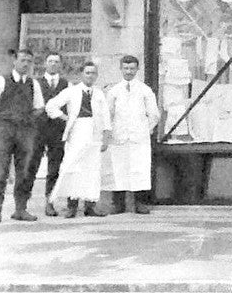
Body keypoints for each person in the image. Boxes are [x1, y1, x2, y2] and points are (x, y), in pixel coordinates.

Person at [0, 48, 45, 224]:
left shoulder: (34, 84)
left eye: (29, 61)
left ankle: (21, 209)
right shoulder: (0, 81)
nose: (26, 64)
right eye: (23, 60)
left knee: (24, 170)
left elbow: (39, 107)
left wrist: (25, 120)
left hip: (25, 132)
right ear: (14, 61)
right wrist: (6, 120)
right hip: (4, 132)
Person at [45, 61, 110, 218]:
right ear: (82, 74)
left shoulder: (99, 94)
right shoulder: (72, 91)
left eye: (93, 73)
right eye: (87, 73)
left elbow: (106, 116)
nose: (90, 76)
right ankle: (72, 206)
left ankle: (90, 206)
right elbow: (51, 106)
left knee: (92, 168)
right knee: (73, 166)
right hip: (77, 131)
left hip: (94, 131)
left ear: (96, 76)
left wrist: (106, 136)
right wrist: (65, 117)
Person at [103, 55, 160, 215]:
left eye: (132, 68)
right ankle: (118, 204)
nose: (129, 72)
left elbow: (154, 115)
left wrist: (144, 130)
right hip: (119, 137)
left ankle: (140, 203)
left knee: (139, 169)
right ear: (121, 69)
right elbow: (108, 114)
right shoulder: (114, 91)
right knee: (118, 169)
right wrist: (110, 131)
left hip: (138, 138)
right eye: (126, 68)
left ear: (137, 69)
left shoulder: (144, 90)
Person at [29, 52, 69, 217]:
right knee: (32, 164)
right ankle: (23, 201)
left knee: (55, 168)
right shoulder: (36, 83)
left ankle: (49, 202)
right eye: (50, 61)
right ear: (45, 64)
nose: (53, 64)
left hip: (58, 131)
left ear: (60, 65)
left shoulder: (65, 84)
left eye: (56, 62)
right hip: (38, 130)